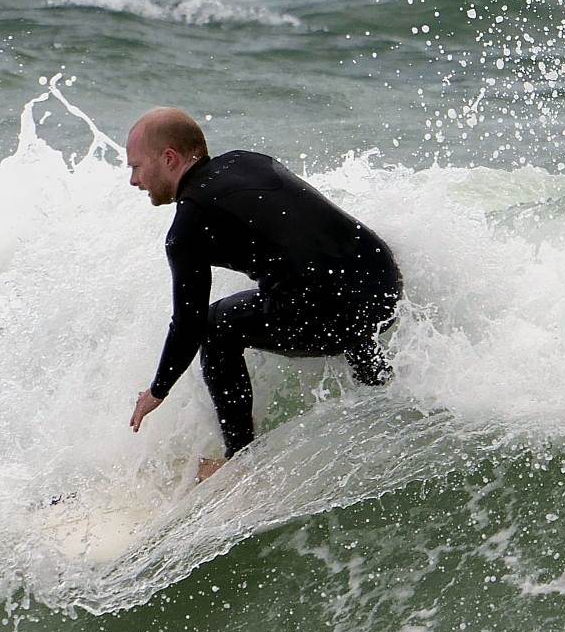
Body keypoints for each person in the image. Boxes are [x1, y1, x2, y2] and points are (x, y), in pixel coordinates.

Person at [126, 107, 403, 481]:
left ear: (169, 158)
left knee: (215, 325)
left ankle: (240, 462)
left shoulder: (189, 225)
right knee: (316, 286)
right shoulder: (247, 161)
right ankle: (386, 392)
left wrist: (157, 391)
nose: (134, 180)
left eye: (137, 167)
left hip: (333, 307)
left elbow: (189, 323)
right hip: (382, 279)